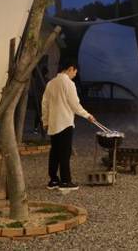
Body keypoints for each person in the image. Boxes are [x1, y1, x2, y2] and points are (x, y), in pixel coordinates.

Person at [41, 57, 96, 191]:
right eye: (75, 72)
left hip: (53, 123)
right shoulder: (69, 84)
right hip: (65, 123)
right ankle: (65, 181)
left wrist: (45, 121)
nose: (75, 75)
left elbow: (45, 104)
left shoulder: (51, 83)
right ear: (71, 69)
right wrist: (87, 115)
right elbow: (75, 105)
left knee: (54, 152)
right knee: (65, 153)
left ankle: (53, 180)